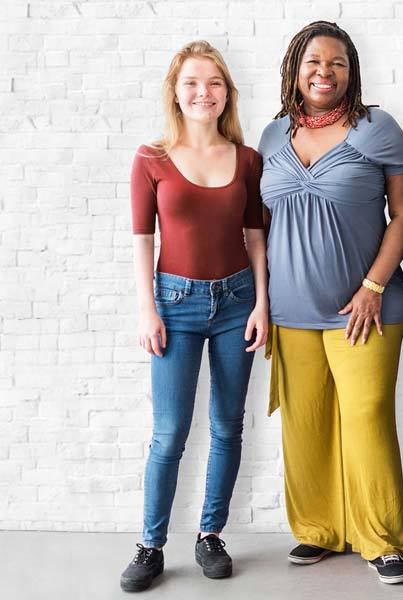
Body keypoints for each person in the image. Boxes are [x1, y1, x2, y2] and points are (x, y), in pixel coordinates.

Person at [258, 20, 403, 584]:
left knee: (367, 418)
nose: (324, 73)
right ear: (294, 70)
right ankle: (319, 529)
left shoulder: (377, 129)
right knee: (305, 424)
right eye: (313, 63)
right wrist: (261, 302)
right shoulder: (273, 136)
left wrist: (373, 286)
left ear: (352, 72)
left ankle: (381, 539)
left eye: (337, 64)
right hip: (290, 311)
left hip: (366, 309)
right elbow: (261, 226)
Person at [121, 40, 267, 592]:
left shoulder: (246, 158)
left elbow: (257, 239)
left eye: (213, 83)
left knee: (229, 425)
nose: (203, 93)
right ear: (176, 93)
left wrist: (262, 305)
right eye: (192, 84)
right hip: (174, 306)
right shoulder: (151, 159)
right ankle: (150, 544)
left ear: (226, 92)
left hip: (235, 304)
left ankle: (210, 534)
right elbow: (142, 239)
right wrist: (147, 309)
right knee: (170, 432)